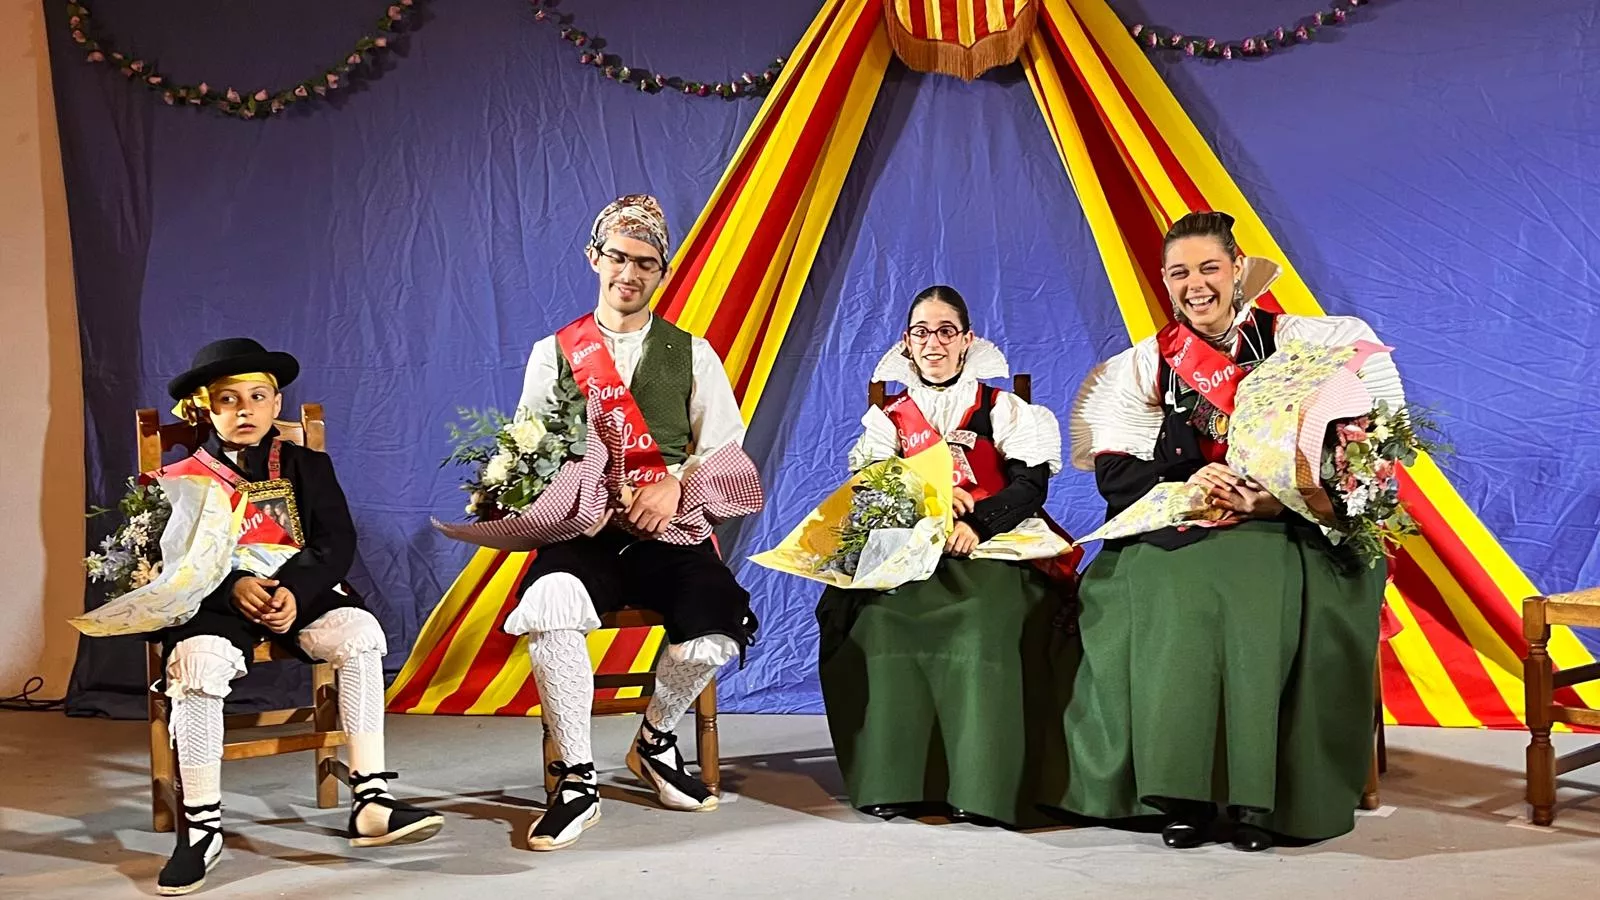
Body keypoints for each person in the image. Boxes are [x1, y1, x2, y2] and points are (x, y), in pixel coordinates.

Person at [1065, 211, 1406, 850]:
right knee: (1168, 593)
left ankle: (1263, 800)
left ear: (1237, 268)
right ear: (1166, 283)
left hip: (1287, 530)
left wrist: (1277, 503)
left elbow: (1358, 454)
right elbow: (1116, 476)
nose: (1195, 285)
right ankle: (1182, 794)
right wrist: (1193, 488)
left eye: (1208, 268)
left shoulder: (1307, 345)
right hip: (1181, 530)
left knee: (1258, 595)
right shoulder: (1146, 367)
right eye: (1179, 273)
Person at [506, 194, 760, 851]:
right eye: (617, 256)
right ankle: (577, 781)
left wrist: (676, 484)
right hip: (586, 533)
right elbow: (526, 448)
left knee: (721, 624)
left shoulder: (692, 353)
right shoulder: (554, 352)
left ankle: (654, 740)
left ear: (662, 272)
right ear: (595, 259)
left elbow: (727, 451)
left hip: (670, 533)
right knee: (549, 602)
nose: (630, 271)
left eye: (646, 262)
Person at [154, 338, 442, 894]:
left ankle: (372, 800)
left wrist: (292, 590)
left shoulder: (307, 465)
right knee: (197, 665)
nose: (243, 410)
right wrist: (233, 587)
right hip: (218, 603)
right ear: (204, 410)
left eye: (256, 397)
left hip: (300, 596)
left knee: (361, 633)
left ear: (276, 404)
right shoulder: (181, 478)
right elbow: (173, 561)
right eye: (227, 400)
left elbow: (336, 542)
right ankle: (202, 827)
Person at [815, 285, 1074, 828]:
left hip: (992, 544)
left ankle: (982, 784)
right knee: (881, 623)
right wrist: (930, 501)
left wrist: (976, 522)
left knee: (983, 624)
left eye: (946, 331)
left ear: (967, 339)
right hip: (911, 548)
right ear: (907, 344)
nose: (933, 342)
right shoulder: (888, 419)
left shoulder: (1005, 409)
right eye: (921, 332)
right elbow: (872, 488)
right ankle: (895, 780)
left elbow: (1030, 488)